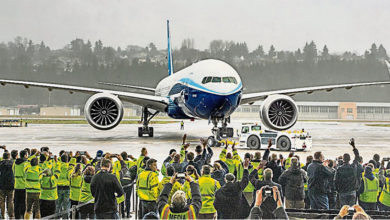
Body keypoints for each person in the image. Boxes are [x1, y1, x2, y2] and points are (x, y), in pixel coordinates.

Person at [335, 139, 360, 207]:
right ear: (349, 159)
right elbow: (357, 156)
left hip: (343, 192)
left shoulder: (339, 169)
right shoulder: (353, 167)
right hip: (352, 191)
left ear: (343, 160)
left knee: (344, 210)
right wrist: (353, 147)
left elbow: (336, 181)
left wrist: (338, 190)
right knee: (351, 210)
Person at [13, 150, 29, 219]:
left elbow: (13, 172)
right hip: (24, 186)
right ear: (25, 155)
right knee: (23, 202)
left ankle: (17, 216)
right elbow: (27, 174)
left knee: (16, 202)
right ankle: (22, 216)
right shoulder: (26, 163)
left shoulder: (15, 163)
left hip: (16, 185)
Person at [56, 153, 72, 218]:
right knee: (66, 206)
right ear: (67, 159)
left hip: (58, 187)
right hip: (67, 187)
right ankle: (65, 218)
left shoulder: (58, 166)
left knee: (57, 205)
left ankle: (56, 218)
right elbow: (69, 177)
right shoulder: (69, 167)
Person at [0, 151, 15, 219]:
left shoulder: (0, 163)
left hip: (1, 184)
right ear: (9, 157)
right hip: (11, 184)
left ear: (3, 157)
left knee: (2, 201)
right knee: (10, 200)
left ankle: (2, 216)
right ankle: (11, 215)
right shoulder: (12, 163)